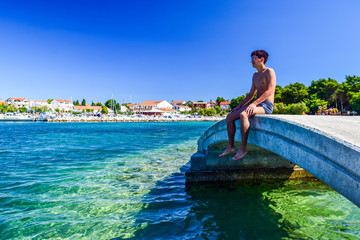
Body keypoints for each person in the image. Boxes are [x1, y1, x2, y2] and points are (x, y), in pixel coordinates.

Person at [219, 50, 276, 160]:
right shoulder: (255, 76)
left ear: (261, 59)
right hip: (257, 104)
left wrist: (254, 104)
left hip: (266, 105)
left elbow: (270, 91)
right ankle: (230, 146)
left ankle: (243, 149)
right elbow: (251, 94)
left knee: (244, 115)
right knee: (230, 117)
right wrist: (239, 106)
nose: (251, 61)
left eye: (254, 58)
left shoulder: (269, 71)